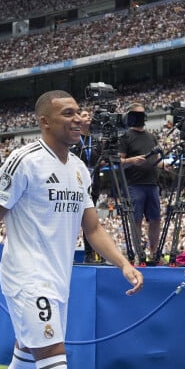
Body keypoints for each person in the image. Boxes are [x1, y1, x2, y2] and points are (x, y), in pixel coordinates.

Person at [0, 90, 143, 369]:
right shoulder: (24, 160)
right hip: (27, 278)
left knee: (27, 357)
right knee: (55, 367)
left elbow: (93, 228)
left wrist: (123, 264)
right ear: (44, 121)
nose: (78, 119)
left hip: (59, 280)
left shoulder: (80, 169)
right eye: (68, 114)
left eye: (79, 113)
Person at [119, 102, 164, 262]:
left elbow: (156, 161)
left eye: (141, 113)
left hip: (152, 183)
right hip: (134, 184)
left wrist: (166, 166)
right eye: (136, 113)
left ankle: (154, 252)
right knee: (136, 219)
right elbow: (118, 161)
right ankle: (139, 253)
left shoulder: (151, 136)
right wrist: (131, 160)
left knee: (155, 219)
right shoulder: (125, 137)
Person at [70, 108, 103, 263]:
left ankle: (90, 255)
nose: (88, 117)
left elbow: (101, 160)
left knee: (91, 220)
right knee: (73, 220)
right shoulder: (74, 138)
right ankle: (68, 254)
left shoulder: (96, 140)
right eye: (84, 115)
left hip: (93, 184)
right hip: (76, 184)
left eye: (89, 115)